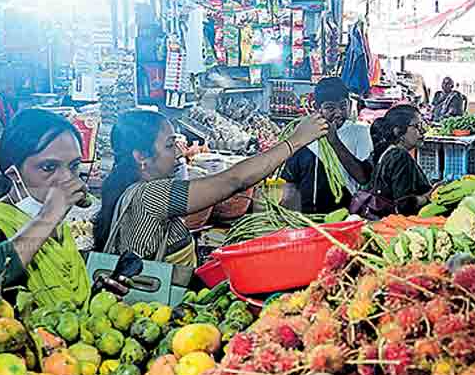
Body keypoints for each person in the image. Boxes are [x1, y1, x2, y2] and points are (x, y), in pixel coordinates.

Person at [96, 109, 328, 264]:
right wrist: (295, 141)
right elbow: (233, 181)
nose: (179, 152)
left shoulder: (127, 186)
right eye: (169, 145)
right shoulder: (149, 194)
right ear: (141, 156)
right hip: (153, 313)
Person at [0, 109, 92, 308]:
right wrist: (47, 218)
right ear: (14, 174)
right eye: (49, 167)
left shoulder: (58, 227)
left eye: (73, 166)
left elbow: (66, 294)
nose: (67, 178)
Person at [280, 77, 373, 215]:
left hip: (346, 216)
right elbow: (291, 183)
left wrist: (334, 140)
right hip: (308, 219)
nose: (338, 113)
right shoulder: (303, 134)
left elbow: (363, 177)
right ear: (317, 108)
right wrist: (286, 213)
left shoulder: (360, 132)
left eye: (343, 106)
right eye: (330, 108)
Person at [369, 104, 433, 215]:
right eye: (417, 126)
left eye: (423, 125)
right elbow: (404, 205)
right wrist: (428, 197)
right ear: (398, 131)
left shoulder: (386, 151)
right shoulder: (400, 156)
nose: (422, 131)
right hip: (398, 223)